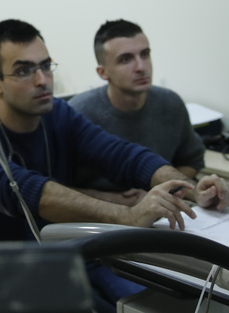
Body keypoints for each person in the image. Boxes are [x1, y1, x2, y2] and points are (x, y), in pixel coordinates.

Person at [0, 19, 229, 309]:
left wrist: (193, 190)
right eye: (24, 71)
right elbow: (30, 192)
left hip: (58, 261)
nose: (42, 80)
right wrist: (129, 216)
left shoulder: (58, 115)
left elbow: (122, 155)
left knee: (162, 301)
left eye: (45, 66)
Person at [70, 19, 206, 203]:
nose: (141, 67)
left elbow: (192, 160)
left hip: (162, 208)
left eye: (145, 54)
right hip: (98, 213)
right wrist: (117, 200)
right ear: (103, 72)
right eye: (126, 59)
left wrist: (160, 190)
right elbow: (56, 189)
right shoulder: (79, 113)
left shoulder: (170, 103)